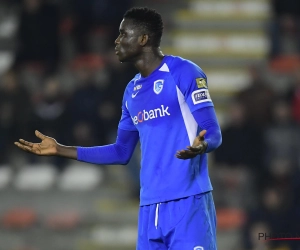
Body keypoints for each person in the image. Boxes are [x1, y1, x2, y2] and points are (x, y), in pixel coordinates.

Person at [15, 7, 222, 250]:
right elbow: (122, 151)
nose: (117, 41)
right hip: (149, 209)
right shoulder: (132, 92)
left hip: (188, 202)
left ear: (144, 39)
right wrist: (61, 150)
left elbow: (213, 130)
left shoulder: (183, 72)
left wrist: (203, 145)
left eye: (124, 34)